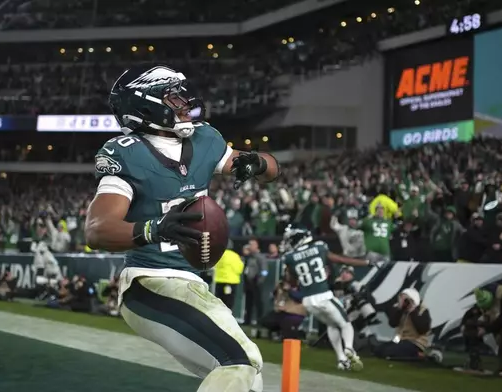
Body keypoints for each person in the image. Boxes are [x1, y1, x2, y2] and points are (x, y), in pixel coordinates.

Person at [84, 65, 279, 392]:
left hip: (192, 283)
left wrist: (256, 162)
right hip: (149, 283)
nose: (185, 103)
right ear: (147, 106)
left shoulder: (205, 138)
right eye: (173, 97)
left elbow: (271, 170)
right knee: (240, 360)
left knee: (251, 378)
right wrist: (154, 228)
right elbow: (97, 230)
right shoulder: (126, 153)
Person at [279, 223, 369, 371]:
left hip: (308, 301)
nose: (289, 243)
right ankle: (349, 349)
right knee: (345, 324)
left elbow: (292, 282)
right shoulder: (319, 247)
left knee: (332, 325)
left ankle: (341, 360)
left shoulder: (290, 257)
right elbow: (340, 260)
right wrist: (365, 262)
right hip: (324, 296)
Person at [214, 240, 244, 309]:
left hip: (219, 281)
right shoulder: (235, 256)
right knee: (228, 301)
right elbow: (239, 269)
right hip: (230, 283)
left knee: (219, 300)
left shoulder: (219, 254)